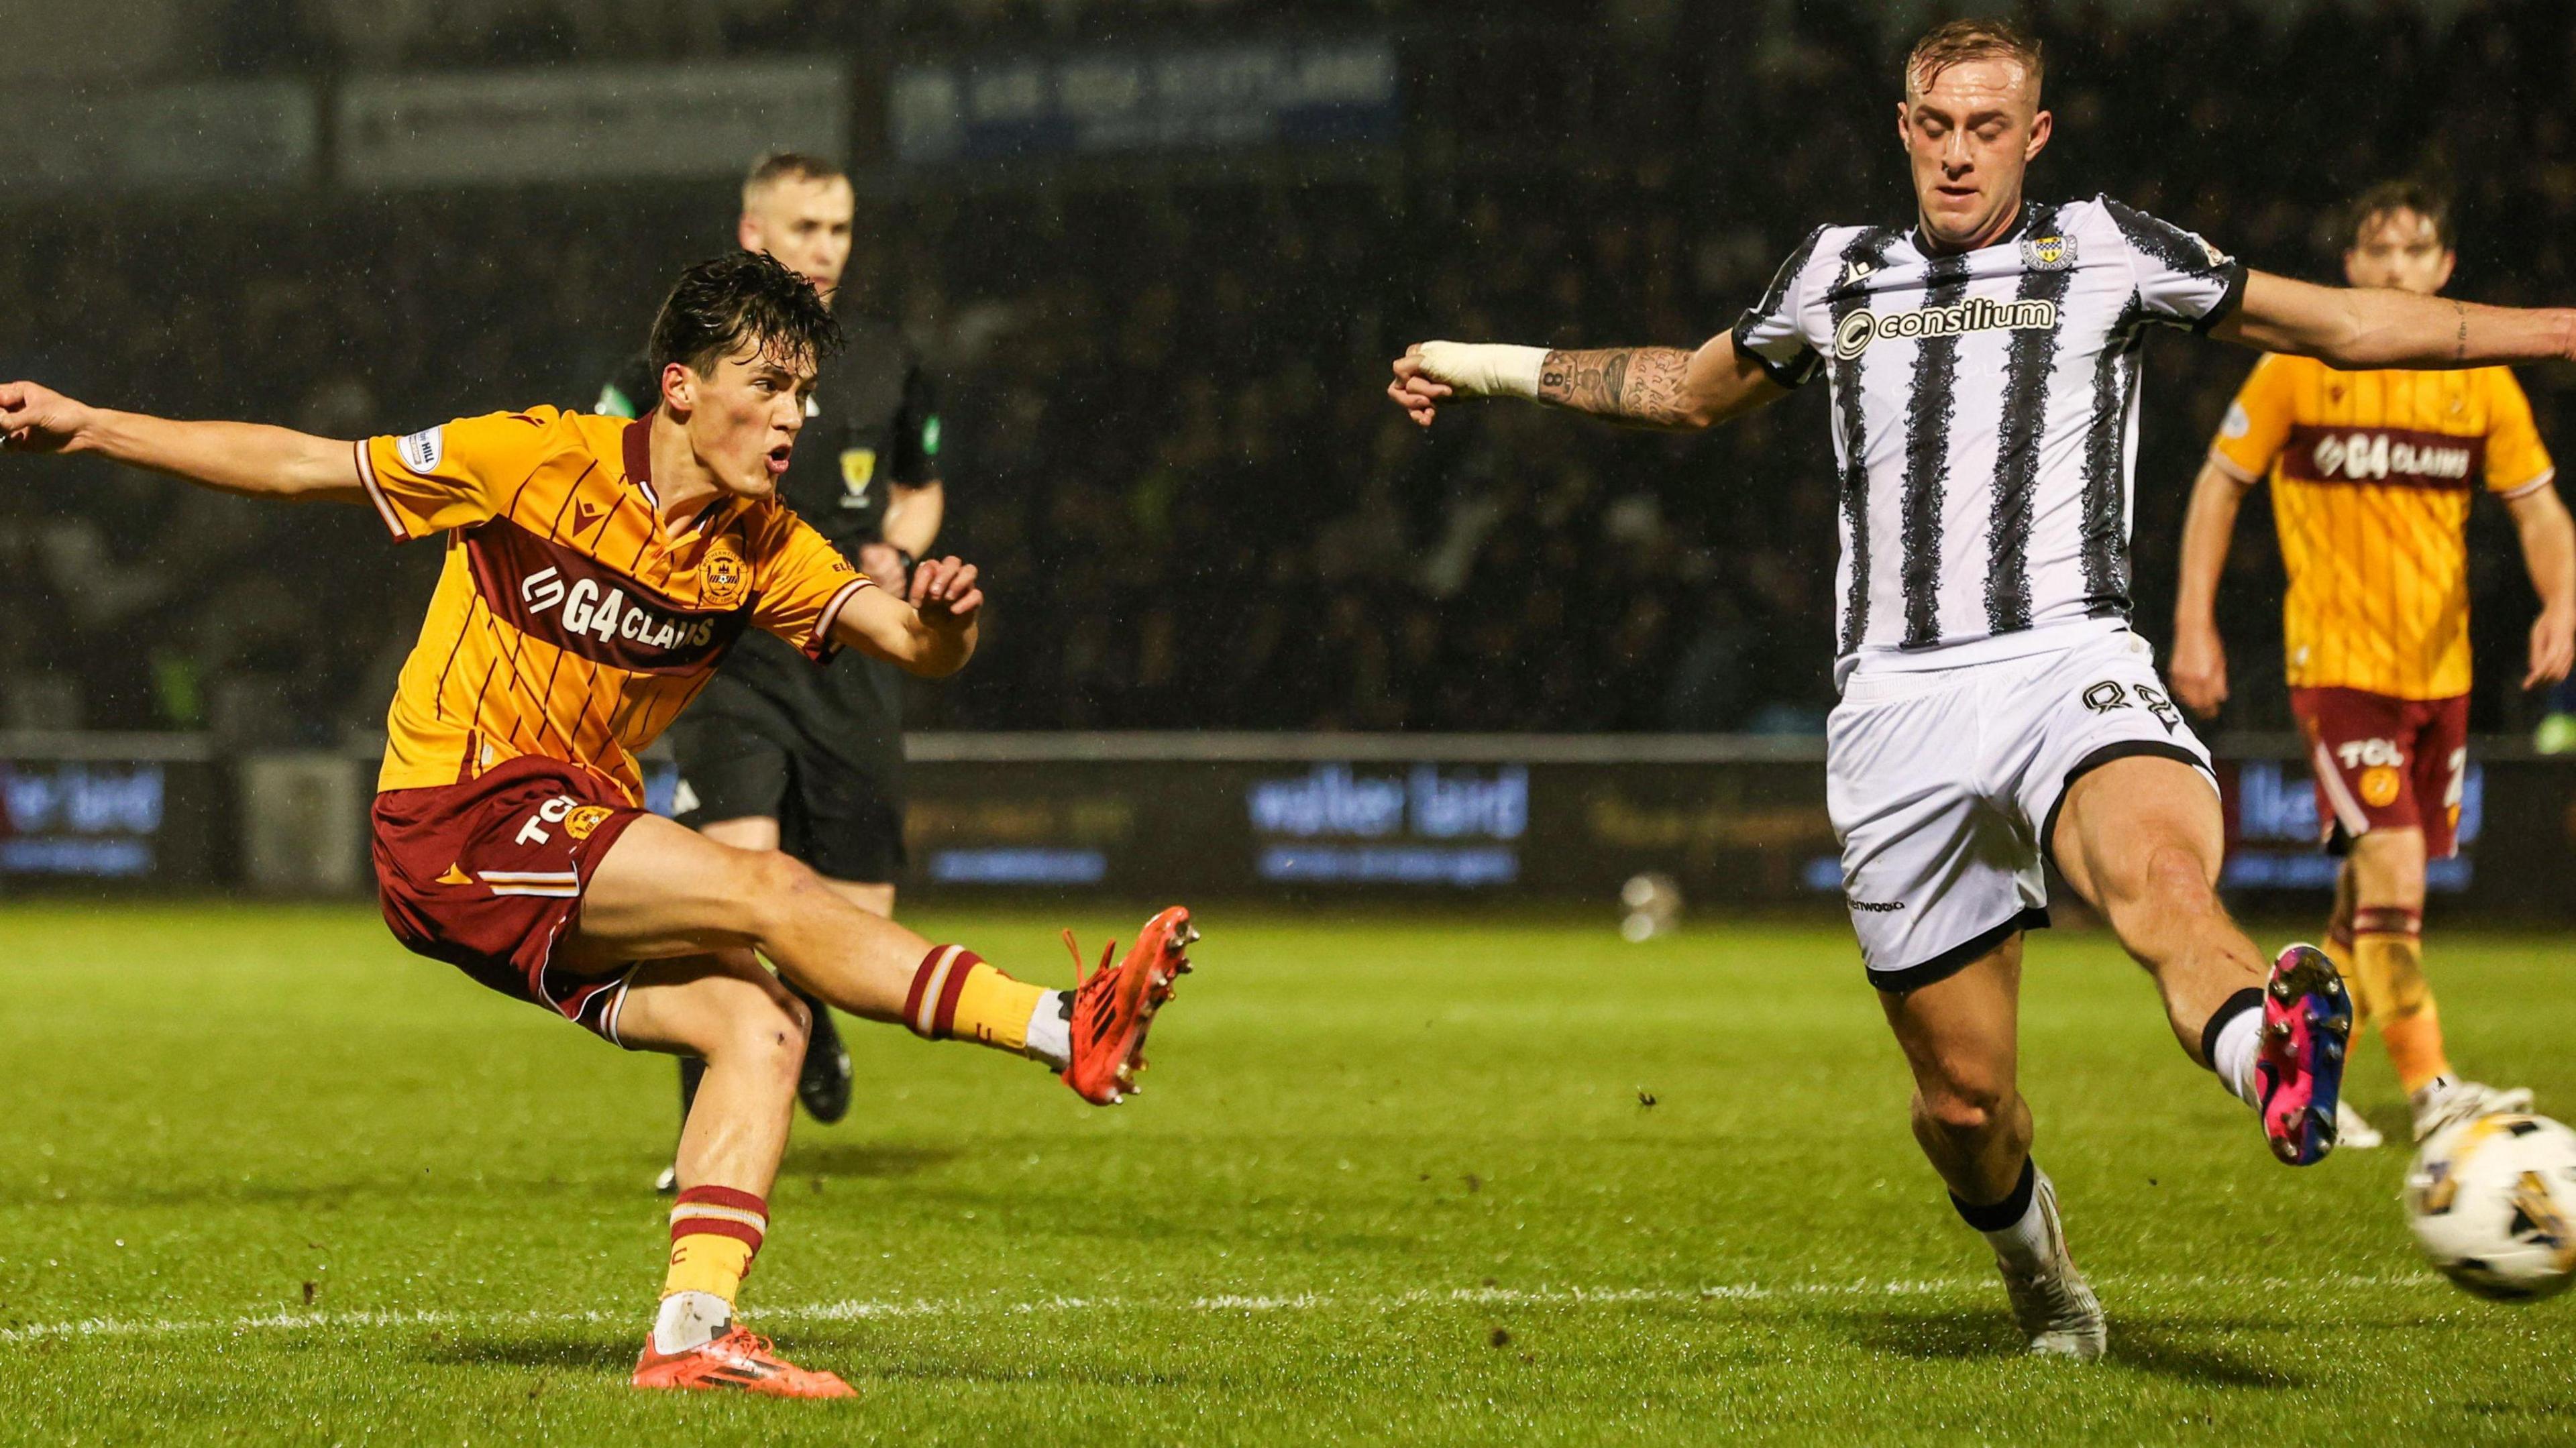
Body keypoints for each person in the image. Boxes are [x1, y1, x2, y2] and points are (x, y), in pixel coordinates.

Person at [1386, 17, 2576, 1360]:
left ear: (2037, 135)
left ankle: (2271, 1059)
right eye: (1937, 128)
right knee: (1964, 1108)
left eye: (1989, 129)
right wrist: (1475, 363)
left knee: (2163, 888)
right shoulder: (1839, 272)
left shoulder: (2113, 250)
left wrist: (2559, 327)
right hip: (1896, 709)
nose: (1960, 156)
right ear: (1904, 129)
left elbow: (2350, 322)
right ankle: (2043, 1273)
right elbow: (1681, 390)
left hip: (2071, 659)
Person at [1, 252, 1196, 1397]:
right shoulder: (530, 457)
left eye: (807, 395)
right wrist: (92, 426)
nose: (795, 420)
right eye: (769, 387)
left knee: (762, 1023)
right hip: (452, 816)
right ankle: (1060, 1027)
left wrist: (947, 618)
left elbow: (917, 650)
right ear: (682, 385)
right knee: (761, 888)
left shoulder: (763, 545)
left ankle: (693, 1334)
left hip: (563, 844)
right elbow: (300, 464)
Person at [2171, 182, 2570, 1148]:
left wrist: (2563, 600)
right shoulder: (2299, 370)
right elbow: (2220, 486)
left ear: (2445, 268)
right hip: (2339, 668)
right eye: (2379, 251)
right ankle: (2434, 1090)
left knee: (2367, 892)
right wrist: (2194, 623)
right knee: (2395, 871)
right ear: (2351, 267)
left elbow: (2538, 507)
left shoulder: (2483, 384)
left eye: (2416, 250)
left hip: (2442, 676)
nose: (2397, 266)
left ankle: (2296, 1063)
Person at [597, 153, 949, 1188]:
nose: (826, 248)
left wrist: (896, 543)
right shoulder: (686, 357)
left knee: (860, 919)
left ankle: (814, 1019)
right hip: (732, 651)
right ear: (755, 233)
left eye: (839, 229)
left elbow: (922, 489)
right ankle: (702, 1134)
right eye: (805, 228)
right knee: (722, 887)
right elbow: (613, 462)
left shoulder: (886, 359)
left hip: (844, 647)